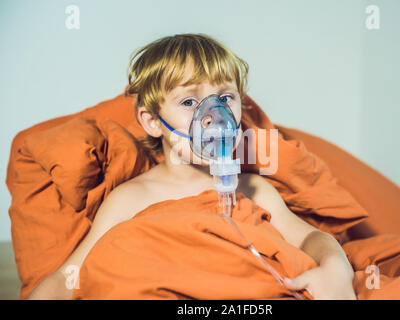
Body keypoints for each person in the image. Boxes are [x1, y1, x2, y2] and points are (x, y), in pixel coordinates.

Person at [27, 33, 356, 300]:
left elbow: (311, 237)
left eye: (225, 97)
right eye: (189, 102)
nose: (213, 114)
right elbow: (69, 278)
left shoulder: (252, 189)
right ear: (153, 122)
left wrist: (334, 268)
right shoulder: (131, 198)